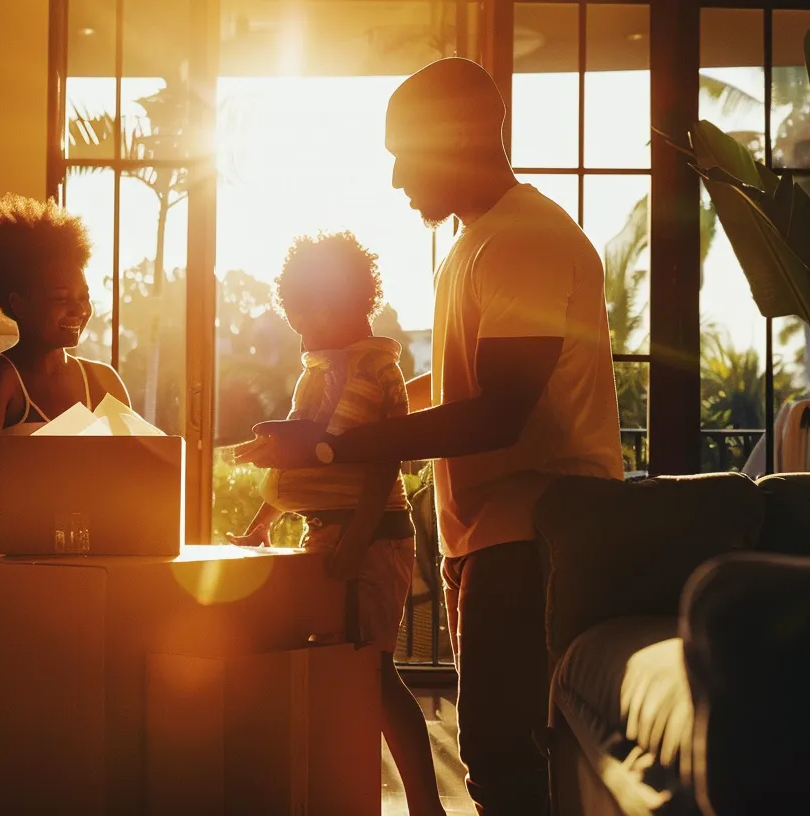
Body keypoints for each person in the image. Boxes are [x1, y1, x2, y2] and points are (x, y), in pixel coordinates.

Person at [235, 58, 623, 815]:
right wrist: (338, 423)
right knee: (498, 759)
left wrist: (329, 448)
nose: (395, 181)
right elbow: (460, 392)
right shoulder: (479, 242)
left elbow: (498, 412)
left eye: (402, 156)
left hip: (532, 538)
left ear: (458, 138)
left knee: (508, 765)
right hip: (490, 538)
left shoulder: (523, 241)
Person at [230, 231, 446, 816]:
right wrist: (259, 525)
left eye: (302, 319)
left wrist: (354, 539)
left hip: (370, 538)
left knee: (372, 673)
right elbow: (304, 463)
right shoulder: (321, 373)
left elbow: (379, 465)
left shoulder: (374, 370)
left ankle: (426, 806)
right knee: (348, 670)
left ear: (329, 307)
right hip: (332, 533)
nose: (300, 333)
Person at [0, 193, 129, 552]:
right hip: (7, 544)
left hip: (85, 544)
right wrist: (64, 486)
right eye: (61, 298)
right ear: (19, 304)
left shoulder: (102, 380)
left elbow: (135, 463)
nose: (79, 309)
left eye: (84, 296)